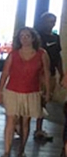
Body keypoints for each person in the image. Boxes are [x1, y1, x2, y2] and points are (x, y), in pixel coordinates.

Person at [0, 27, 50, 157]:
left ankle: (21, 149)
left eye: (27, 36)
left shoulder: (41, 54)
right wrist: (0, 91)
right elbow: (5, 73)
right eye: (22, 36)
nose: (24, 38)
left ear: (33, 38)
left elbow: (46, 74)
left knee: (25, 121)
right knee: (11, 120)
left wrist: (47, 91)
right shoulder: (13, 54)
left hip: (31, 92)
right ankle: (7, 151)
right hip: (13, 90)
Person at [34, 12, 63, 142]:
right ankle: (19, 124)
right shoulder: (36, 37)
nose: (51, 24)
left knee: (44, 101)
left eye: (53, 21)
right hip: (37, 74)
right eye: (48, 21)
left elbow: (58, 57)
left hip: (50, 74)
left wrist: (61, 73)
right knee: (31, 99)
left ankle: (39, 129)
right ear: (42, 22)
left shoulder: (56, 38)